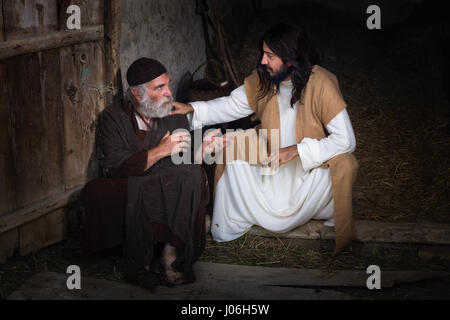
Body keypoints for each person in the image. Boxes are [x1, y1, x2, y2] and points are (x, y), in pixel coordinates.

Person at [172, 23, 359, 254]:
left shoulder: (321, 82)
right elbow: (231, 105)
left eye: (270, 55)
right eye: (263, 53)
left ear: (290, 58)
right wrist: (191, 109)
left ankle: (316, 210)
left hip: (309, 177)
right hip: (270, 167)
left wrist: (297, 150)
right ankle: (238, 215)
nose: (262, 61)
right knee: (233, 144)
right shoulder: (264, 79)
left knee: (345, 163)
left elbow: (346, 140)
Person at [82, 57, 225, 292]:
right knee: (113, 189)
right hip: (131, 183)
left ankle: (171, 252)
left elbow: (185, 163)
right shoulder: (114, 118)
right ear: (138, 94)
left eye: (168, 84)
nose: (169, 92)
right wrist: (160, 151)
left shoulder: (173, 114)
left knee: (192, 175)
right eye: (160, 87)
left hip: (166, 181)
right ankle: (142, 258)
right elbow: (115, 165)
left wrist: (202, 151)